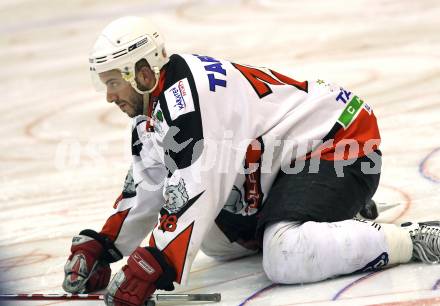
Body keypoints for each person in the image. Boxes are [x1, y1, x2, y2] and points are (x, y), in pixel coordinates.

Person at [62, 16, 440, 306]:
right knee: (218, 243)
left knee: (284, 256)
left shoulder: (188, 105)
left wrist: (157, 266)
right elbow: (149, 187)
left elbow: (193, 190)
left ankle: (411, 238)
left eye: (113, 82)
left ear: (142, 74)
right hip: (289, 160)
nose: (109, 96)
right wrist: (103, 247)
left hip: (340, 141)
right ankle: (329, 218)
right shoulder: (157, 106)